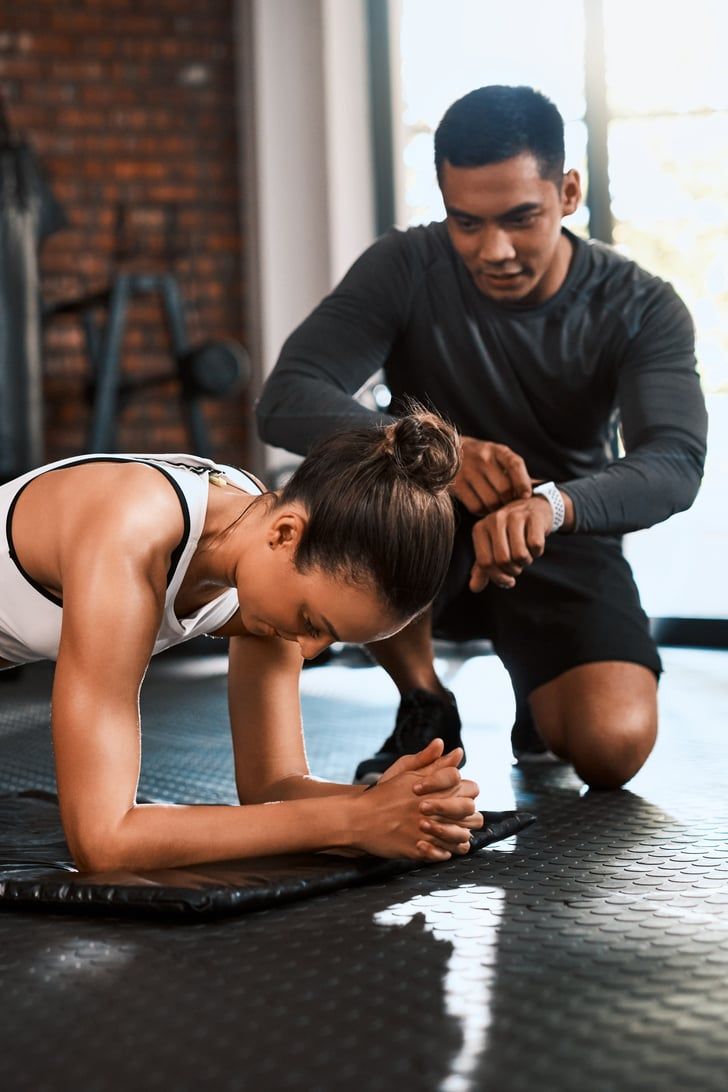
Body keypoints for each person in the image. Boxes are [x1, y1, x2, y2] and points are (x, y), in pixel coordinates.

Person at [256, 85, 708, 791]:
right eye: (466, 223)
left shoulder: (640, 304)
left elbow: (675, 462)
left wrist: (551, 507)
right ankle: (425, 701)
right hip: (423, 528)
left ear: (568, 191)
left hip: (558, 535)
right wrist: (434, 447)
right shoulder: (405, 266)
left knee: (612, 747)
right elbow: (285, 398)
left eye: (520, 218)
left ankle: (539, 689)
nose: (493, 250)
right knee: (358, 497)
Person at [0, 410, 484, 871]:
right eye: (312, 621)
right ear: (285, 533)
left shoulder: (255, 535)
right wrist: (353, 821)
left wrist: (395, 806)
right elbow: (104, 839)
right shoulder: (131, 531)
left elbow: (272, 785)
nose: (310, 649)